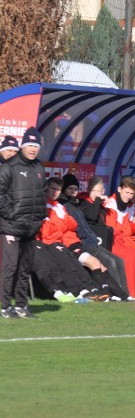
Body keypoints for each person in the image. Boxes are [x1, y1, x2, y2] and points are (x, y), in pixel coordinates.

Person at [39, 176, 128, 300]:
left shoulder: (60, 206)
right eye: (53, 189)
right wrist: (63, 224)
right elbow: (52, 230)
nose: (55, 192)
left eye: (58, 190)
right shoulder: (47, 206)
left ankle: (121, 295)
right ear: (47, 189)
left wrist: (62, 224)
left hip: (74, 242)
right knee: (95, 262)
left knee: (104, 264)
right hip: (65, 244)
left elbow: (73, 224)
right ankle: (100, 292)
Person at [0, 127, 46, 319]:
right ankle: (4, 306)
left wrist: (40, 216)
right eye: (29, 145)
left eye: (36, 146)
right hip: (11, 226)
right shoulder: (9, 166)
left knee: (25, 268)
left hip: (31, 227)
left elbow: (42, 194)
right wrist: (13, 214)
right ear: (22, 146)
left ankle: (21, 305)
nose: (33, 149)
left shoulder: (39, 167)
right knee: (10, 267)